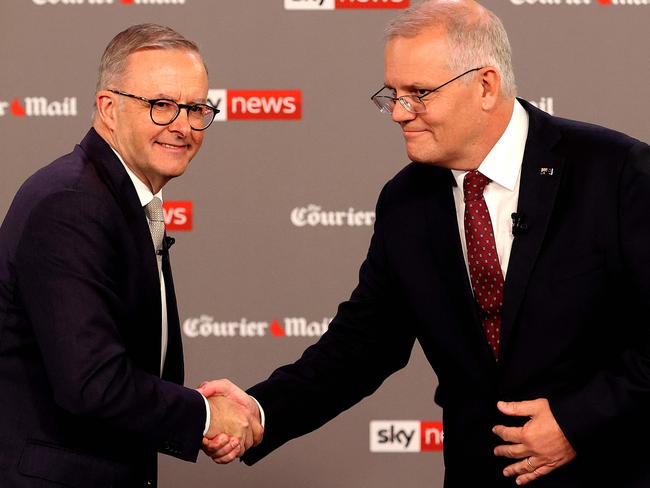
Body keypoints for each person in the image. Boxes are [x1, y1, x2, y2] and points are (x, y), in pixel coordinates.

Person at [201, 1, 650, 486]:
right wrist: (261, 411)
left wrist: (576, 421)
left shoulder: (615, 171)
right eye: (392, 93)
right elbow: (362, 345)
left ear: (485, 85)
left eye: (419, 93)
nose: (398, 113)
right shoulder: (405, 201)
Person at [0, 24, 261, 487]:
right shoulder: (72, 202)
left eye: (196, 108)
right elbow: (92, 383)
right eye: (161, 105)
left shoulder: (118, 197)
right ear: (108, 109)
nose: (182, 125)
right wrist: (203, 415)